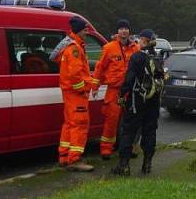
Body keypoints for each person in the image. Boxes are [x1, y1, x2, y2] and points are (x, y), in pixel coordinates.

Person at [112, 29, 165, 176]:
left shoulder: (137, 57)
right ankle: (147, 164)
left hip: (137, 100)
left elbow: (129, 79)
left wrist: (122, 95)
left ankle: (124, 165)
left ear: (144, 41)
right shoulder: (158, 57)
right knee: (150, 131)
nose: (137, 42)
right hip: (153, 101)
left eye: (140, 40)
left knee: (128, 131)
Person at [55, 16, 99, 172]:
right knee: (80, 125)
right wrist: (83, 89)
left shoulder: (73, 46)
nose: (87, 32)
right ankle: (75, 160)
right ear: (79, 30)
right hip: (76, 95)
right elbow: (75, 75)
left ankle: (64, 156)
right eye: (85, 29)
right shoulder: (74, 48)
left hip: (70, 94)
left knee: (69, 124)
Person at [93, 19, 139, 160]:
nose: (124, 31)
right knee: (111, 121)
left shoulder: (135, 48)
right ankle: (106, 150)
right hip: (114, 90)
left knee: (130, 122)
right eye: (121, 29)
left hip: (130, 91)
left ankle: (127, 148)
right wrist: (95, 86)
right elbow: (100, 69)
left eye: (126, 28)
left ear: (129, 31)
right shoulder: (109, 48)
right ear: (117, 31)